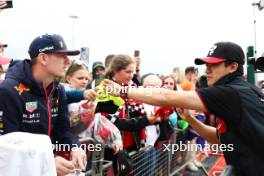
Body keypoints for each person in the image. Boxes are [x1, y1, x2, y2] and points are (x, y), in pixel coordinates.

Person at [104, 41, 264, 175]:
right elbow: (221, 138)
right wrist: (190, 119)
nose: (206, 70)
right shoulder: (244, 89)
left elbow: (166, 96)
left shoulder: (230, 92)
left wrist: (123, 90)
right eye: (206, 65)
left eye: (213, 65)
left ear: (232, 67)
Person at [0, 34, 86, 176]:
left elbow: (63, 129)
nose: (68, 61)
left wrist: (75, 147)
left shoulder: (58, 90)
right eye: (62, 56)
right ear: (43, 58)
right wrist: (49, 162)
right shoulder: (8, 91)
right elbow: (7, 148)